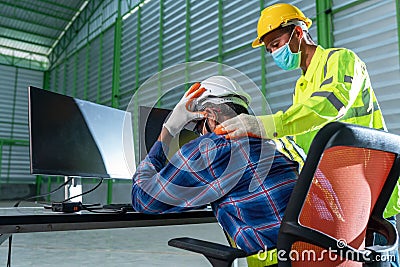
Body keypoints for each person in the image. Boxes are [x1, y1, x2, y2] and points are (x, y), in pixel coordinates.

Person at [214, 2, 399, 266]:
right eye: (270, 50)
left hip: (370, 194)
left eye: (276, 43)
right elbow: (301, 142)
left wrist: (261, 125)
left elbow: (331, 104)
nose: (274, 53)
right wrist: (262, 145)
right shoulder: (302, 87)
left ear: (298, 33)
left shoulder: (340, 60)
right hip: (339, 204)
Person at [131, 76, 299, 262]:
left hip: (274, 260)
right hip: (312, 254)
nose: (200, 133)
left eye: (198, 126)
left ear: (210, 114)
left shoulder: (212, 148)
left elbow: (144, 199)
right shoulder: (268, 146)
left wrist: (169, 129)